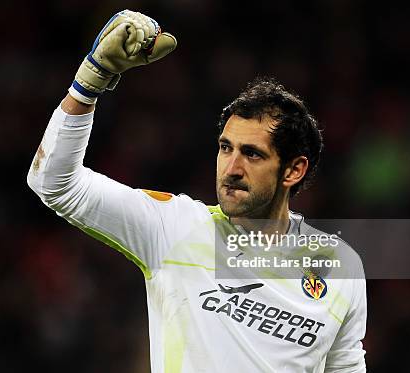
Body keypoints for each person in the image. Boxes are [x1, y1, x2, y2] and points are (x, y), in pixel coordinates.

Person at [27, 10, 366, 372]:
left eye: (252, 154)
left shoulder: (339, 265)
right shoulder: (175, 228)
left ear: (293, 170)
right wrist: (90, 80)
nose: (232, 168)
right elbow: (54, 182)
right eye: (225, 148)